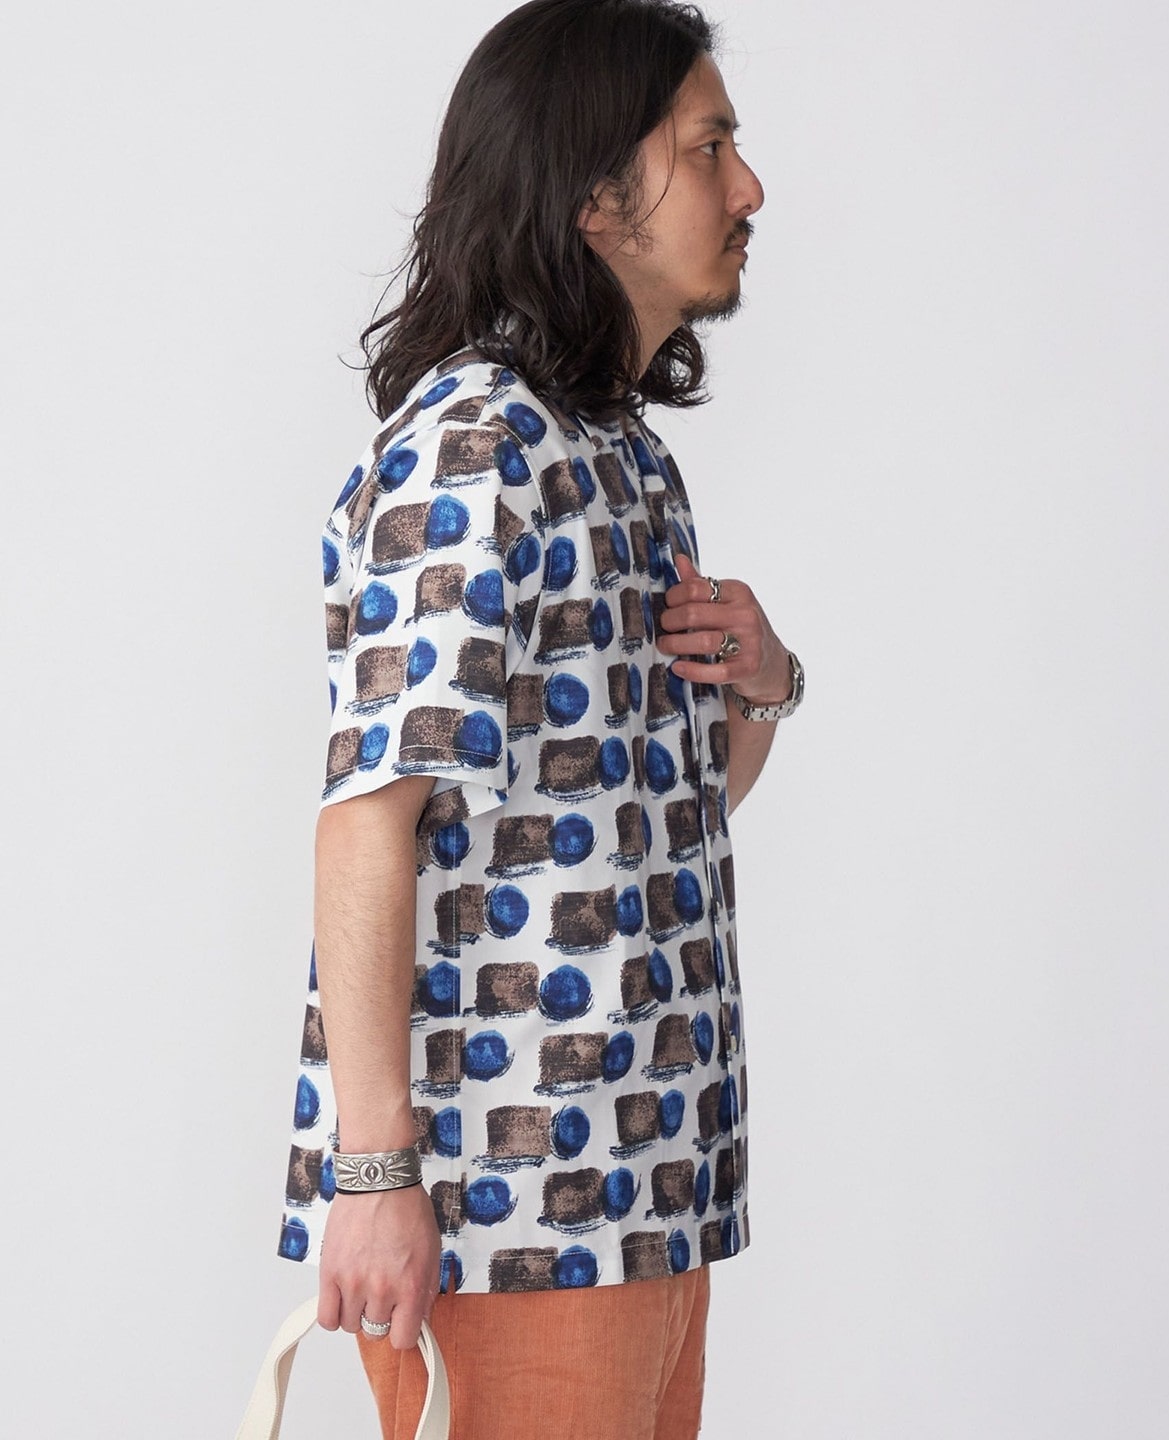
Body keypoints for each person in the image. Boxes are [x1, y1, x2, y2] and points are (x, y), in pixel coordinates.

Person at [277, 2, 804, 1435]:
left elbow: (638, 825)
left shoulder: (618, 452)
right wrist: (375, 1177)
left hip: (651, 1182)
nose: (750, 188)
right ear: (593, 198)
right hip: (512, 1208)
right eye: (710, 149)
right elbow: (370, 817)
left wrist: (764, 683)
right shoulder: (479, 445)